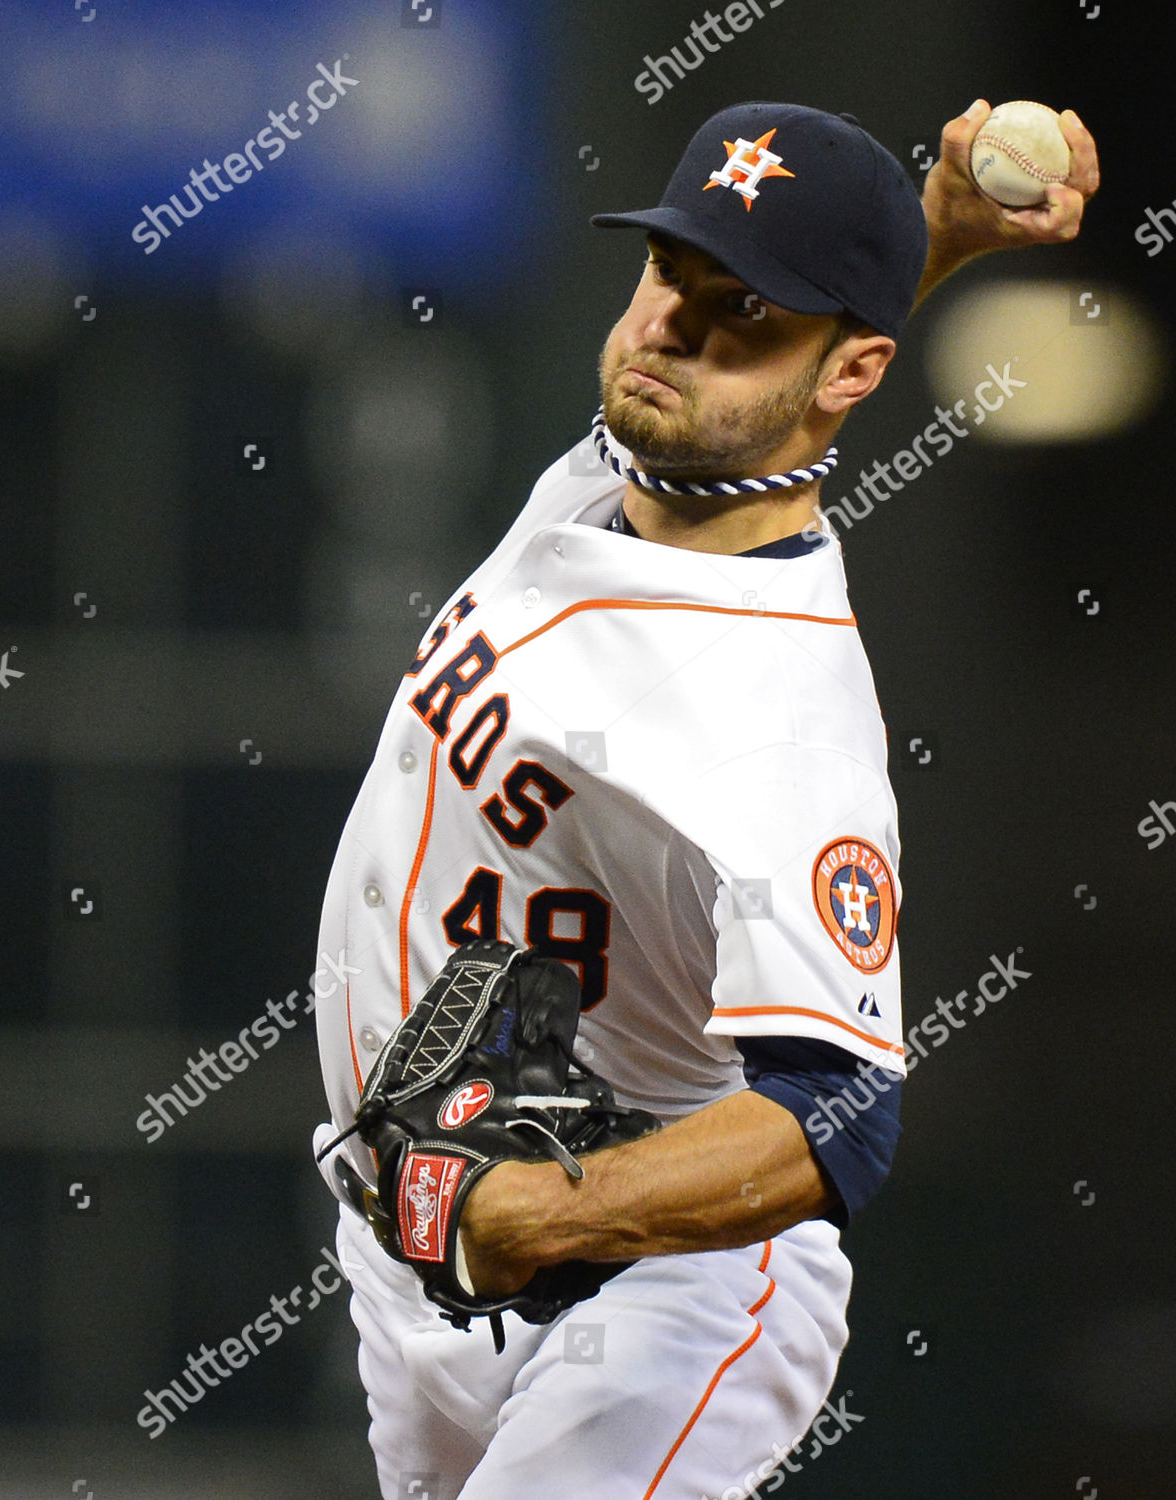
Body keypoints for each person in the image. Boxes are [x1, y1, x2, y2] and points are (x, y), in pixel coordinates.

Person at [311, 98, 1098, 1500]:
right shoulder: (616, 475)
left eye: (739, 312)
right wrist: (927, 235)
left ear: (851, 368)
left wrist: (544, 1212)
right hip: (428, 1245)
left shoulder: (776, 731)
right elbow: (763, 367)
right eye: (669, 270)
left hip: (665, 1286)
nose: (670, 326)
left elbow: (837, 1109)